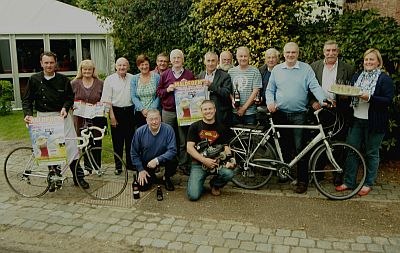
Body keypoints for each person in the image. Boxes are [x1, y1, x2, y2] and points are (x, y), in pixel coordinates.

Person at [22, 51, 89, 189]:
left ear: (55, 63)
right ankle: (54, 177)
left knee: (71, 147)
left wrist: (65, 107)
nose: (49, 65)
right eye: (46, 62)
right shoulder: (33, 79)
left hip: (62, 117)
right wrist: (28, 114)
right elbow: (27, 100)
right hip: (43, 118)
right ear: (41, 63)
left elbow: (69, 98)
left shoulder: (63, 80)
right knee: (49, 149)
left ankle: (78, 177)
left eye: (51, 62)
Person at [265, 42, 326, 194]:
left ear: (298, 54)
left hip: (300, 115)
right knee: (284, 147)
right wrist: (270, 102)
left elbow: (314, 86)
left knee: (301, 149)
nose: (290, 55)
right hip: (280, 114)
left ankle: (302, 181)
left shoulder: (306, 69)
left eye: (293, 52)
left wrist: (323, 100)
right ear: (283, 54)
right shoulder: (277, 70)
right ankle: (284, 174)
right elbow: (270, 89)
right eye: (288, 52)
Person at [336, 48, 394, 197]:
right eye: (366, 60)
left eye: (371, 59)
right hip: (356, 120)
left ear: (378, 62)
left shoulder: (384, 78)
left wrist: (368, 97)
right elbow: (352, 95)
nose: (368, 62)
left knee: (372, 153)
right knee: (352, 150)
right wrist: (344, 96)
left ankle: (368, 183)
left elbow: (387, 101)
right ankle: (349, 182)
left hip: (374, 122)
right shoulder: (357, 76)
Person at [156, 49, 195, 175]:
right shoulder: (165, 75)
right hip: (168, 112)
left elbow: (195, 93)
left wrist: (188, 86)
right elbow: (159, 92)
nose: (176, 60)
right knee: (167, 139)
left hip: (184, 112)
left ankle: (184, 164)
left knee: (184, 140)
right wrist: (168, 89)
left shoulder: (189, 75)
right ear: (171, 61)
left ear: (183, 60)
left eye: (179, 58)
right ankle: (169, 164)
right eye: (174, 58)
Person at [186, 100, 235, 201]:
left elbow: (226, 147)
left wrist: (231, 160)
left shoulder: (222, 127)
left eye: (210, 109)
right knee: (193, 196)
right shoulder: (195, 126)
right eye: (205, 109)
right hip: (199, 164)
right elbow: (189, 148)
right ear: (201, 111)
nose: (208, 111)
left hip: (217, 163)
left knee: (229, 173)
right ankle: (199, 180)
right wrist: (204, 161)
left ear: (215, 110)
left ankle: (215, 184)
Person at [310, 40, 355, 140]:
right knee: (320, 142)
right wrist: (313, 102)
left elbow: (352, 90)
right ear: (323, 52)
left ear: (338, 51)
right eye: (328, 50)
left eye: (334, 50)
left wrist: (345, 97)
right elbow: (308, 88)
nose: (331, 53)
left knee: (339, 141)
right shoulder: (314, 67)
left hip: (339, 111)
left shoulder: (348, 69)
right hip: (319, 110)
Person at [71, 59, 107, 172]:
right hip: (80, 118)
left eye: (89, 69)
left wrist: (101, 106)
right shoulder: (74, 83)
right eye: (84, 69)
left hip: (96, 117)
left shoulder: (100, 83)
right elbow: (68, 99)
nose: (87, 71)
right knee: (84, 141)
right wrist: (73, 106)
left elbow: (105, 99)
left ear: (93, 70)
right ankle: (87, 167)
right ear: (81, 70)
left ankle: (97, 166)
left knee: (96, 141)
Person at [101, 57, 135, 174]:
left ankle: (130, 164)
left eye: (124, 65)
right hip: (116, 112)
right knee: (117, 141)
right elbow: (107, 99)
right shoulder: (109, 80)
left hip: (130, 112)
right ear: (115, 66)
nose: (122, 67)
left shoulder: (133, 78)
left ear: (128, 66)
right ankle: (118, 166)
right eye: (119, 65)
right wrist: (112, 116)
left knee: (130, 140)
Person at [131, 109, 177, 191]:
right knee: (143, 187)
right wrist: (140, 169)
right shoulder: (139, 132)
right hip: (147, 162)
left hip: (162, 160)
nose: (154, 122)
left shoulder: (168, 129)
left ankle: (166, 178)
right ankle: (151, 175)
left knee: (173, 160)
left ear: (160, 118)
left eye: (156, 119)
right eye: (151, 119)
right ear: (147, 120)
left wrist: (156, 160)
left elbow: (172, 150)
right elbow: (134, 153)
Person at [228, 46, 262, 125]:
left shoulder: (255, 71)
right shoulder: (231, 72)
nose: (243, 58)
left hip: (250, 113)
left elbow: (255, 91)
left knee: (249, 137)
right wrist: (233, 100)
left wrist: (244, 108)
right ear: (236, 57)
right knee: (236, 136)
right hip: (234, 112)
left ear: (249, 57)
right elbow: (228, 90)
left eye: (245, 56)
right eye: (240, 56)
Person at [198, 52, 233, 126]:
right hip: (204, 114)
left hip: (219, 115)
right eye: (208, 61)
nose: (210, 63)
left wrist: (211, 85)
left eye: (213, 61)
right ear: (204, 62)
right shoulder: (200, 75)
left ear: (217, 62)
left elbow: (226, 93)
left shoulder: (225, 76)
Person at [131, 54, 161, 128]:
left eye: (146, 64)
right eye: (142, 65)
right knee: (142, 134)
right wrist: (142, 109)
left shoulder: (156, 77)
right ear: (138, 66)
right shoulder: (134, 78)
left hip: (154, 111)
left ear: (149, 65)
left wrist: (151, 110)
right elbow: (133, 96)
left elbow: (159, 95)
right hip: (140, 112)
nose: (144, 67)